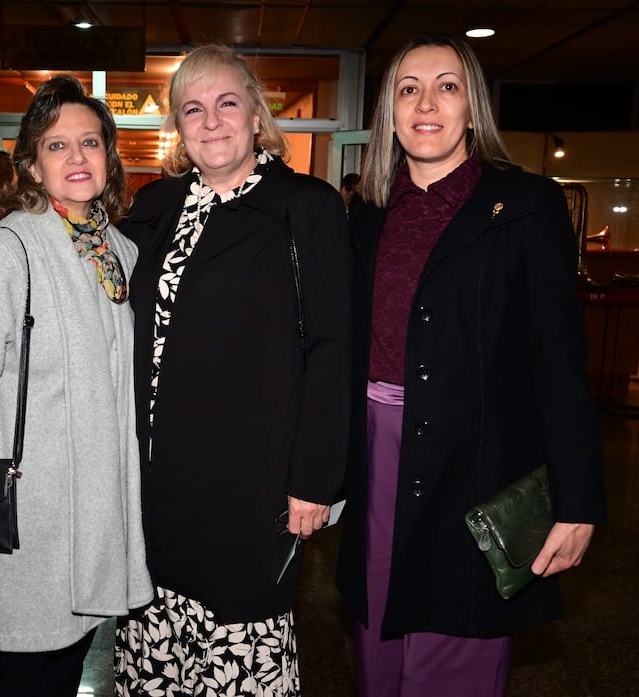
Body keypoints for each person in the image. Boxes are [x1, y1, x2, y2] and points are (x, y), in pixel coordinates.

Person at [335, 33, 606, 697]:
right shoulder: (368, 213)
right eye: (408, 88)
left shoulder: (527, 206)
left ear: (472, 106)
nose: (427, 103)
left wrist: (577, 501)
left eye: (447, 86)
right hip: (376, 460)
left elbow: (559, 364)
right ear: (390, 113)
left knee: (453, 655)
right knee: (378, 654)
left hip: (476, 464)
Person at [114, 43, 351, 696]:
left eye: (226, 103)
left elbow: (332, 346)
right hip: (155, 482)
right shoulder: (153, 207)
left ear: (256, 115)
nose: (211, 121)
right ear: (178, 125)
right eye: (193, 108)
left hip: (252, 480)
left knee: (239, 641)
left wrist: (315, 479)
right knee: (155, 642)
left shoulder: (305, 207)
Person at [0, 75, 152, 697]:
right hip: (28, 525)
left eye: (91, 142)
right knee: (24, 675)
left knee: (65, 667)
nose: (77, 158)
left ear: (110, 156)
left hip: (95, 522)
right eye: (56, 145)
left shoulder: (121, 256)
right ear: (29, 165)